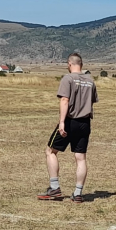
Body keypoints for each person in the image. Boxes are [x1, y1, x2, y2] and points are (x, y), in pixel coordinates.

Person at [38, 53, 98, 203]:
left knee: (50, 151)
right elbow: (91, 102)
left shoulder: (68, 78)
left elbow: (65, 100)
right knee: (80, 158)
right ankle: (78, 193)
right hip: (85, 122)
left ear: (69, 64)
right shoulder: (90, 81)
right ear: (81, 64)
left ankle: (54, 187)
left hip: (70, 121)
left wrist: (62, 122)